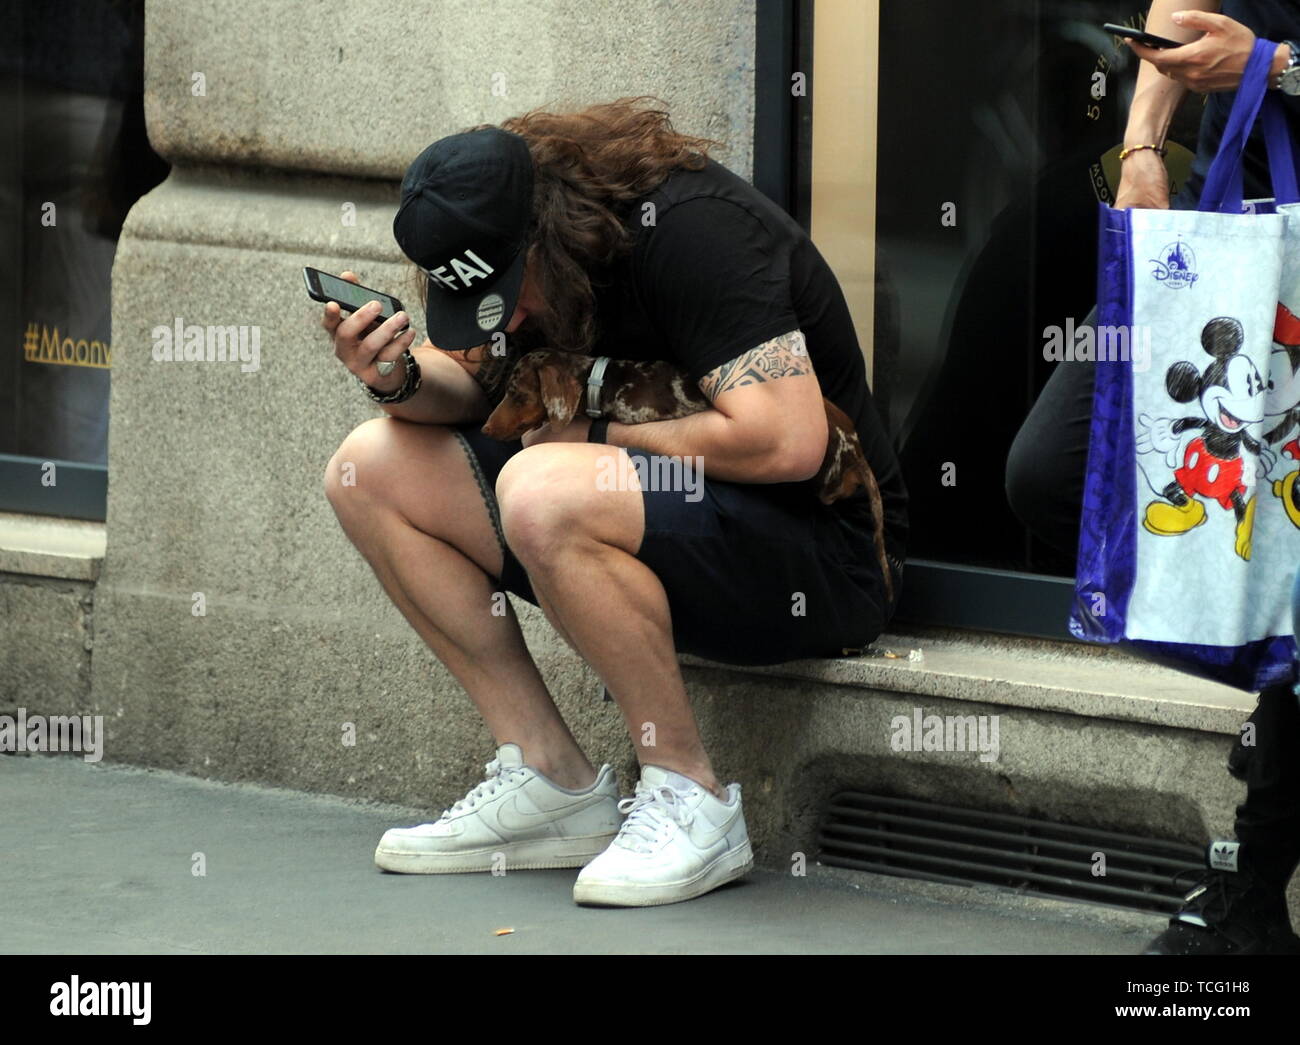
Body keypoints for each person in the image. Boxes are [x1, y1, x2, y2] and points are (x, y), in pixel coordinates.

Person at [320, 97, 906, 907]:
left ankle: (689, 796)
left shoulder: (693, 230)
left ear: (544, 231)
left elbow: (788, 439)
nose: (509, 320)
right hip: (661, 522)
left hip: (821, 552)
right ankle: (550, 781)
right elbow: (482, 390)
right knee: (370, 466)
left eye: (504, 292)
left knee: (540, 486)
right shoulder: (514, 255)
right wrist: (398, 377)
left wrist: (596, 437)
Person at [1007, 2, 1300, 953]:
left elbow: (1247, 45)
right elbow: (1181, 17)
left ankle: (1252, 890)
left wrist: (1275, 63)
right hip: (1224, 240)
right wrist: (1142, 148)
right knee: (1052, 468)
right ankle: (1267, 662)